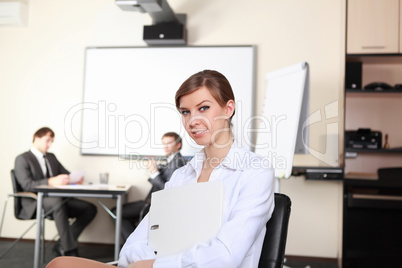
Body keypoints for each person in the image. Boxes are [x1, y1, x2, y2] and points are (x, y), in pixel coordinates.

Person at [46, 70, 274, 268]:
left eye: (203, 108)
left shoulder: (255, 172)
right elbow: (137, 242)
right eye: (185, 112)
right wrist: (143, 263)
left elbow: (225, 256)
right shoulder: (182, 175)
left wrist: (156, 264)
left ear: (228, 108)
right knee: (59, 263)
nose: (193, 120)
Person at [14, 127, 97, 257]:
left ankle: (62, 244)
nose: (50, 144)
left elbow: (65, 173)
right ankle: (69, 250)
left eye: (52, 141)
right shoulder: (22, 159)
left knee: (89, 208)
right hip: (35, 201)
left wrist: (73, 178)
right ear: (37, 138)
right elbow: (26, 185)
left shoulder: (51, 157)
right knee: (58, 203)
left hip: (58, 200)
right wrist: (50, 181)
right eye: (47, 140)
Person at [111, 132, 186, 243]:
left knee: (116, 212)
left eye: (169, 143)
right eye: (164, 144)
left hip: (156, 206)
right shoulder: (172, 160)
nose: (165, 147)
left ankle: (134, 244)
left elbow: (168, 189)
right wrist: (158, 170)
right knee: (117, 212)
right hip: (154, 202)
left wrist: (154, 172)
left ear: (178, 145)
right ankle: (136, 243)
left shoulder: (178, 162)